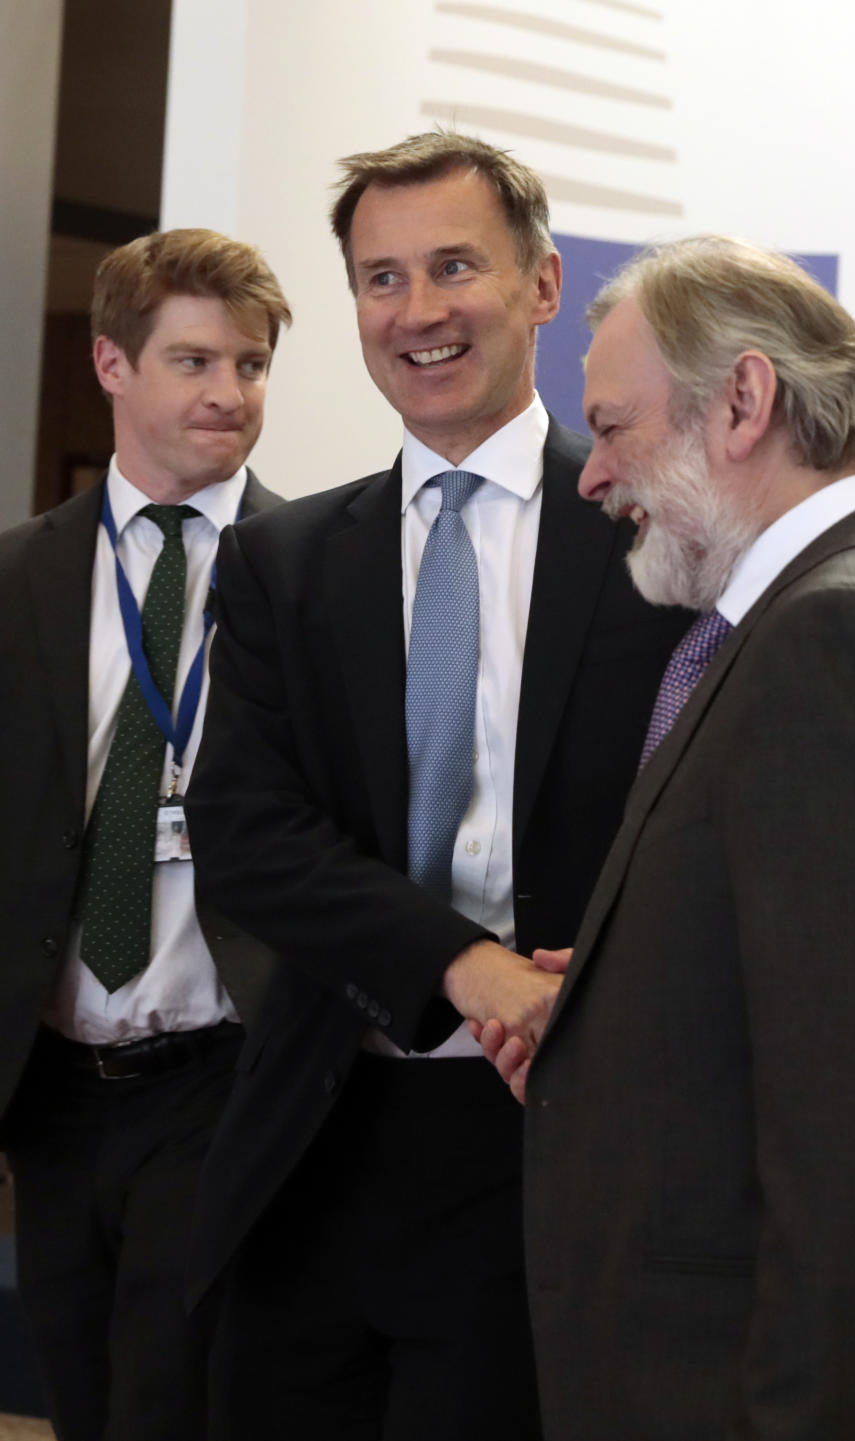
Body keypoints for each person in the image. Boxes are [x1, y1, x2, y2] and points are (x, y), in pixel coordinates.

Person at [184, 132, 690, 1440]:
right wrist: (466, 965)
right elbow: (246, 838)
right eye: (380, 278)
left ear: (541, 286)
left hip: (557, 1144)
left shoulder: (656, 536)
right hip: (320, 1136)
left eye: (453, 266)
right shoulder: (284, 559)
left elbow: (710, 835)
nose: (416, 312)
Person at [482, 235, 855, 1439]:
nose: (589, 479)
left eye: (613, 427)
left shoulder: (836, 637)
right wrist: (616, 1013)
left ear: (743, 401)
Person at [0, 227, 291, 1441]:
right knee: (76, 1398)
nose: (231, 393)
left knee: (171, 1406)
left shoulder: (319, 568)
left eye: (253, 363)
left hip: (218, 1072)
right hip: (50, 1084)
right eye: (195, 361)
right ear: (112, 364)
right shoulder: (19, 574)